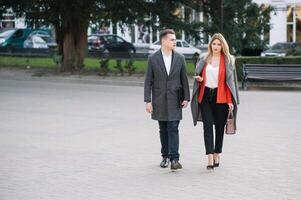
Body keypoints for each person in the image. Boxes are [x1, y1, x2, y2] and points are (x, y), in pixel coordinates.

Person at [190, 33, 239, 170]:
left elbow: (231, 83)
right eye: (214, 44)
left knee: (219, 127)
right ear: (210, 45)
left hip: (221, 97)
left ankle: (217, 153)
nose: (216, 46)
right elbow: (199, 74)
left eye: (218, 44)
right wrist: (199, 79)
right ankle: (210, 157)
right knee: (207, 127)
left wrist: (230, 100)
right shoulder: (204, 58)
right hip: (205, 96)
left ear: (222, 46)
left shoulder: (229, 60)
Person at [144, 29, 190, 170]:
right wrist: (148, 100)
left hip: (175, 99)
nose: (174, 42)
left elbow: (184, 79)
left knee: (173, 128)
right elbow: (148, 81)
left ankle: (175, 159)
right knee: (163, 128)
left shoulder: (180, 58)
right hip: (159, 99)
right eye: (172, 39)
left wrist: (186, 97)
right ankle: (165, 156)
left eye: (175, 39)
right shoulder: (153, 59)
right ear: (163, 41)